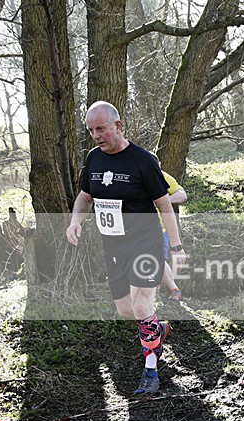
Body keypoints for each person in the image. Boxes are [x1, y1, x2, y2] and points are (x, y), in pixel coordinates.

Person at [66, 101, 186, 394]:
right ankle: (157, 330)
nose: (96, 135)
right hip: (114, 246)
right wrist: (75, 221)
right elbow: (85, 196)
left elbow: (164, 205)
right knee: (125, 311)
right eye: (91, 130)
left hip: (145, 242)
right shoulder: (94, 159)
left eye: (101, 129)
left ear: (118, 126)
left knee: (143, 304)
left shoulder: (142, 161)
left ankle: (150, 369)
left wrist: (177, 247)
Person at [160, 171, 187, 301]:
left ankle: (173, 289)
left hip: (160, 227)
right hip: (133, 227)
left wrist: (163, 201)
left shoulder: (163, 176)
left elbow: (182, 195)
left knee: (157, 259)